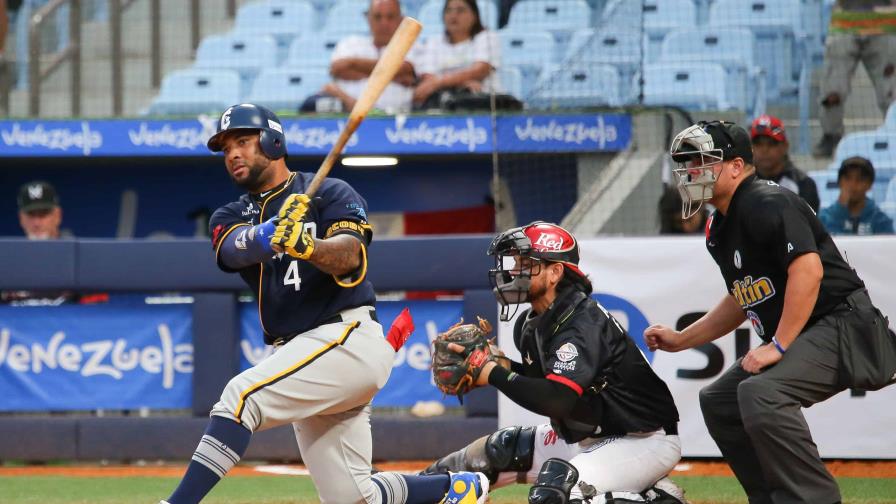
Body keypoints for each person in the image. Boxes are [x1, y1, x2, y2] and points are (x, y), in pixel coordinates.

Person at [161, 103, 488, 504]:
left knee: (240, 398)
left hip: (346, 338)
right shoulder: (230, 214)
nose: (232, 154)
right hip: (302, 354)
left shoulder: (331, 192)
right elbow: (232, 250)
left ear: (272, 141)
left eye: (243, 141)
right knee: (354, 497)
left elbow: (350, 256)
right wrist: (268, 234)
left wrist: (308, 245)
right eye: (226, 147)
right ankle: (457, 488)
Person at [647, 120, 895, 503]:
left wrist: (778, 345)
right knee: (721, 401)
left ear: (734, 166)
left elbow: (808, 271)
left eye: (700, 162)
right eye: (686, 164)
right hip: (815, 330)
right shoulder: (719, 225)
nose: (690, 173)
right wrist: (683, 339)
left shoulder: (767, 201)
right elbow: (742, 298)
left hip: (845, 326)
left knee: (761, 393)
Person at [423, 221, 686, 504]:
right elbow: (548, 383)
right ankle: (408, 490)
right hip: (585, 436)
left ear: (555, 272)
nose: (513, 271)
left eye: (525, 263)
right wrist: (506, 366)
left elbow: (558, 400)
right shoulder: (531, 322)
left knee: (554, 494)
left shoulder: (581, 322)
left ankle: (656, 500)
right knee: (494, 453)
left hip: (640, 440)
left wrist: (494, 373)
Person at [302, 0, 418, 114]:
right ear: (368, 18)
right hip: (346, 117)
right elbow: (336, 69)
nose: (384, 23)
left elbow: (405, 70)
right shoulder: (350, 43)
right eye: (378, 17)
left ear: (401, 19)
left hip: (398, 122)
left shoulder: (411, 46)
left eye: (390, 17)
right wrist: (389, 74)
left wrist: (354, 65)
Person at [813, 0, 896, 158]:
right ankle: (831, 135)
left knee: (891, 91)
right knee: (832, 91)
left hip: (885, 25)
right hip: (844, 25)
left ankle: (894, 135)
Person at [413, 0, 501, 109]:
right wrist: (462, 86)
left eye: (461, 10)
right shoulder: (433, 42)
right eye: (449, 10)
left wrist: (440, 82)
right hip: (443, 105)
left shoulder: (487, 37)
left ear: (475, 15)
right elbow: (428, 77)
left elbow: (480, 69)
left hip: (483, 104)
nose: (453, 15)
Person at [1, 180, 78, 305]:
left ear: (58, 215)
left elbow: (95, 314)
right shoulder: (7, 259)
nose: (36, 223)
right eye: (31, 215)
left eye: (43, 214)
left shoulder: (77, 259)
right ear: (21, 218)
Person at [750, 114, 820, 212]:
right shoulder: (741, 183)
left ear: (785, 146)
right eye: (758, 144)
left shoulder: (803, 184)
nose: (764, 150)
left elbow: (809, 225)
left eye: (771, 143)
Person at [819, 156, 894, 234]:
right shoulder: (823, 219)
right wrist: (840, 210)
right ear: (839, 182)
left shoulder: (881, 222)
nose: (853, 185)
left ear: (869, 185)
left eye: (860, 179)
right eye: (848, 178)